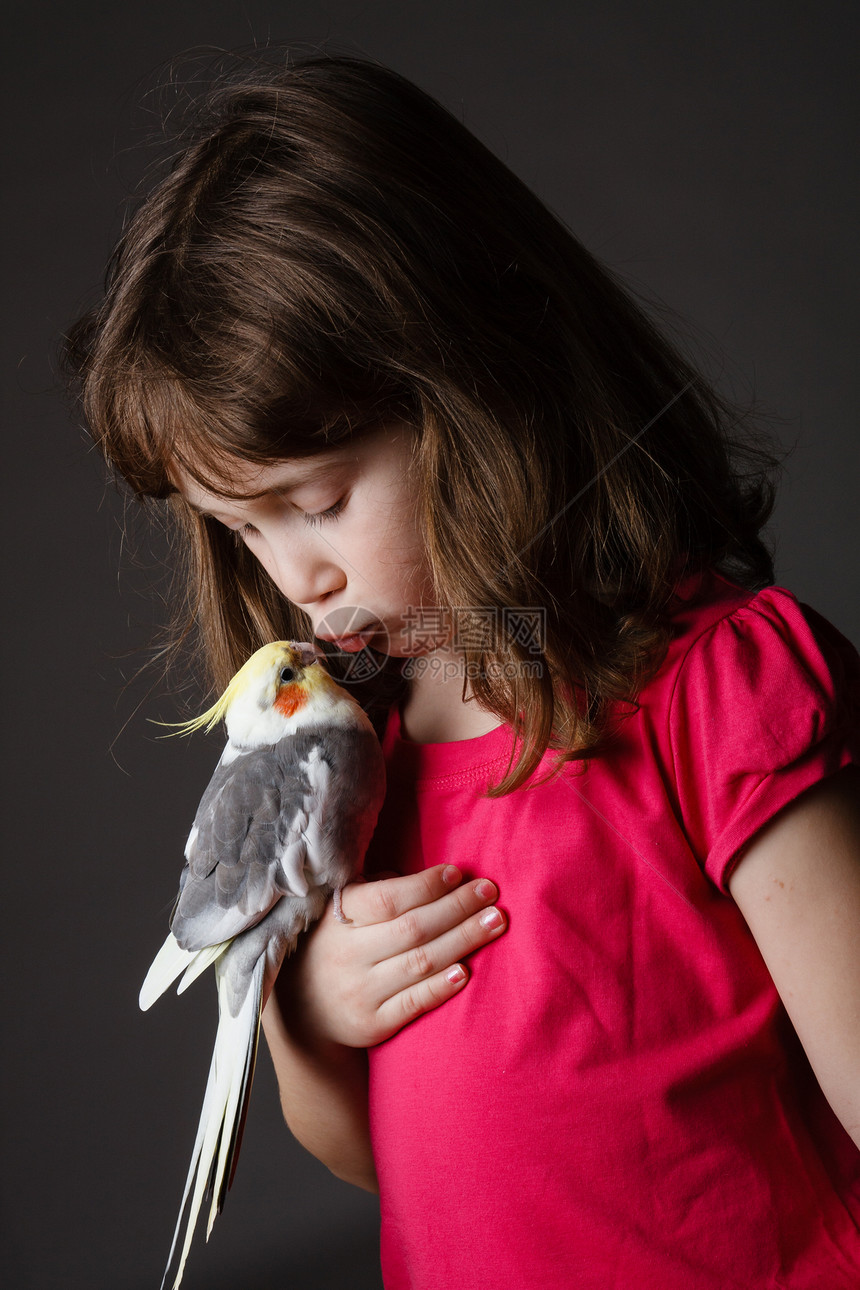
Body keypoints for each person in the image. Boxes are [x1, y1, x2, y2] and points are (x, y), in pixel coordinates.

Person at [66, 54, 860, 1290]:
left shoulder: (718, 691)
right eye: (240, 529)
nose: (296, 580)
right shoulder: (354, 767)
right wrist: (310, 1022)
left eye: (319, 501)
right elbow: (383, 1160)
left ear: (479, 388)